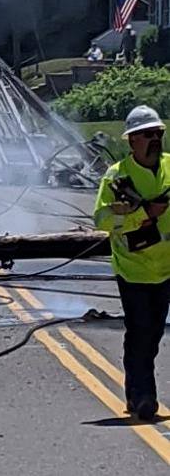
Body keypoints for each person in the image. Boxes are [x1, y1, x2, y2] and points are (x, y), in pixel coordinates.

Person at [94, 105, 170, 421]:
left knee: (153, 334)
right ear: (131, 141)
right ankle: (142, 395)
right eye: (147, 135)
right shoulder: (117, 176)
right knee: (140, 331)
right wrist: (142, 215)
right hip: (133, 269)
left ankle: (139, 391)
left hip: (165, 269)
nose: (155, 139)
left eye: (158, 134)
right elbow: (102, 219)